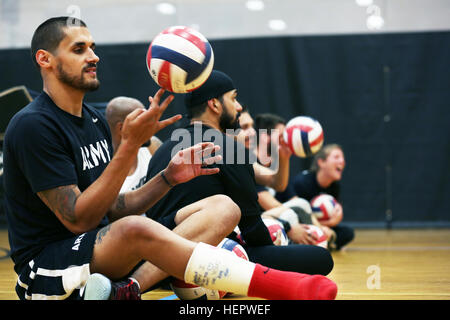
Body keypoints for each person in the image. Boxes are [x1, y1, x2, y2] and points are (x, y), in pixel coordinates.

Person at [2, 17, 337, 300]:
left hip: (104, 252)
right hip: (48, 266)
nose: (93, 56)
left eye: (92, 47)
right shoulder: (34, 125)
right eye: (79, 49)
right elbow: (79, 220)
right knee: (134, 227)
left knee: (223, 206)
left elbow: (111, 207)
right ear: (44, 59)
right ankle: (283, 286)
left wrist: (168, 178)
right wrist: (130, 147)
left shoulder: (92, 121)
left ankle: (128, 290)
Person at [146, 70, 335, 276]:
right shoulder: (229, 148)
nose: (237, 107)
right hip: (203, 258)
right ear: (215, 104)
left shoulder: (164, 149)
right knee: (320, 258)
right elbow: (252, 229)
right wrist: (275, 245)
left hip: (156, 259)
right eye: (233, 98)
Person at [240, 111, 333, 246]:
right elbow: (270, 204)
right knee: (295, 210)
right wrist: (290, 226)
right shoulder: (243, 161)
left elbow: (286, 192)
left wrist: (320, 228)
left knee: (343, 233)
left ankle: (313, 239)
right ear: (265, 136)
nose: (286, 139)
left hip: (273, 219)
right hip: (255, 222)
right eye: (282, 135)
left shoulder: (275, 165)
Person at [292, 144, 355, 250]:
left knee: (348, 232)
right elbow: (297, 217)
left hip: (321, 226)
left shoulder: (334, 187)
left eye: (343, 158)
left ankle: (323, 241)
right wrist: (325, 225)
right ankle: (325, 242)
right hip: (299, 226)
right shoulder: (303, 183)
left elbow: (332, 216)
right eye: (336, 157)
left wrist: (334, 220)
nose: (342, 161)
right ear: (321, 162)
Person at [105, 96, 162, 192]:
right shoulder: (102, 167)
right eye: (143, 121)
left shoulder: (152, 144)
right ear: (121, 128)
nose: (150, 126)